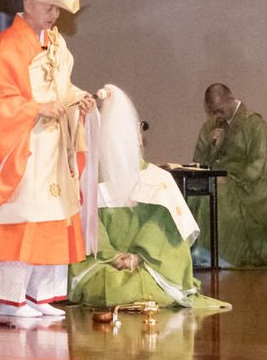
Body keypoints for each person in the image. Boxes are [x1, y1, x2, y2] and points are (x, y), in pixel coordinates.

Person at [0, 0, 94, 326]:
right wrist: (36, 108)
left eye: (56, 9)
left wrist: (77, 99)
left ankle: (39, 293)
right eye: (49, 8)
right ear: (28, 4)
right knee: (22, 218)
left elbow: (62, 87)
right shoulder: (6, 46)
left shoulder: (56, 45)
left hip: (53, 148)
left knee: (54, 217)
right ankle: (11, 298)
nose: (54, 15)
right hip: (24, 147)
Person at [69, 86, 228, 314]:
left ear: (138, 140)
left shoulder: (158, 179)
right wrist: (113, 257)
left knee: (140, 285)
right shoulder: (91, 180)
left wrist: (138, 257)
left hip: (150, 266)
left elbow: (165, 228)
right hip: (103, 264)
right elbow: (88, 226)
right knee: (105, 283)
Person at [190, 84, 267, 270]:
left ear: (230, 99)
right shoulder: (210, 127)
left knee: (216, 194)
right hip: (218, 179)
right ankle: (196, 256)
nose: (217, 115)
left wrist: (230, 180)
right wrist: (213, 146)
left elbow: (260, 163)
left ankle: (217, 257)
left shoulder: (255, 124)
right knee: (193, 195)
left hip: (250, 185)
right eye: (212, 112)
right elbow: (198, 163)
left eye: (219, 110)